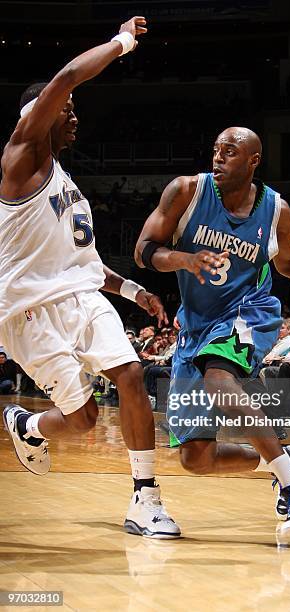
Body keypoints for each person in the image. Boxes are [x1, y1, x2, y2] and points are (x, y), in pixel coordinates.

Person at [0, 16, 180, 539]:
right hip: (25, 310)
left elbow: (84, 264)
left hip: (80, 297)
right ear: (41, 114)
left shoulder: (67, 184)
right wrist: (122, 42)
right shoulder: (20, 158)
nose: (75, 118)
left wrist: (133, 290)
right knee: (82, 422)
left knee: (130, 374)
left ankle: (146, 499)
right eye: (68, 112)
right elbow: (66, 78)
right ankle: (27, 424)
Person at [135, 126, 290, 537]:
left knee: (219, 380)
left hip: (248, 311)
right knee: (196, 457)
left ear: (253, 161)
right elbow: (144, 250)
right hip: (194, 327)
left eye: (229, 152)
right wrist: (182, 259)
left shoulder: (275, 209)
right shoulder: (186, 192)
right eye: (215, 150)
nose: (218, 158)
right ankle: (281, 457)